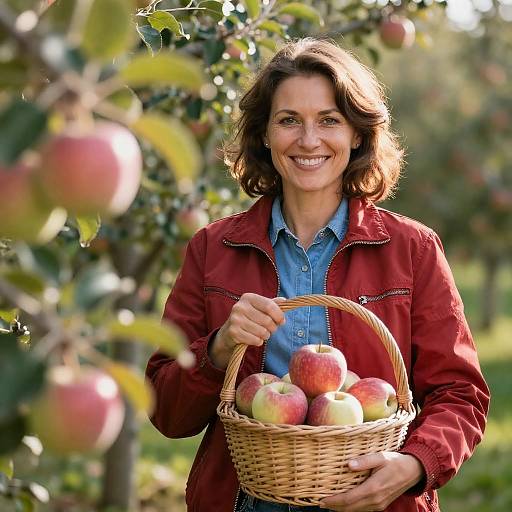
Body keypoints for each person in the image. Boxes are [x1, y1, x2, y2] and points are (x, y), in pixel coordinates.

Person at [145, 38, 490, 512]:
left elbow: (461, 394)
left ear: (358, 134)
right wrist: (219, 348)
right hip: (248, 500)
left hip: (376, 500)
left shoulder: (412, 250)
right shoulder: (213, 248)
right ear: (264, 134)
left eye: (329, 120)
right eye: (289, 120)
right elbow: (166, 411)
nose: (309, 141)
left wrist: (414, 466)